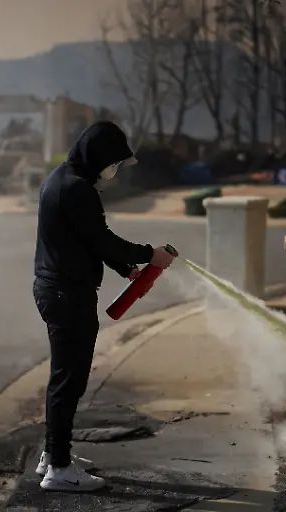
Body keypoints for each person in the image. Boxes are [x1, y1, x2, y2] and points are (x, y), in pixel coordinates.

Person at [32, 121, 175, 492]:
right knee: (70, 380)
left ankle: (53, 455)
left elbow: (86, 241)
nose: (113, 170)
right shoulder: (78, 190)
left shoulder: (60, 179)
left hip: (56, 290)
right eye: (112, 162)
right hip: (68, 295)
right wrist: (150, 255)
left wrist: (127, 268)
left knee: (63, 377)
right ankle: (59, 469)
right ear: (97, 157)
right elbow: (103, 240)